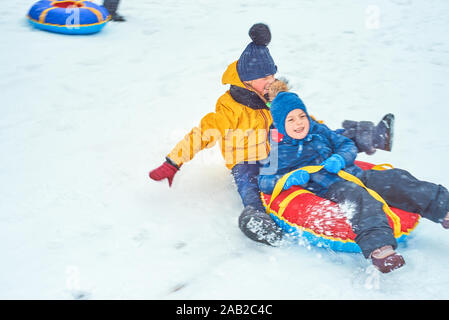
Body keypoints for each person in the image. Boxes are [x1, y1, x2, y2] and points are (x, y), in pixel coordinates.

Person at [149, 23, 395, 247]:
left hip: (280, 148)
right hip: (246, 158)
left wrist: (314, 129)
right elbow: (200, 134)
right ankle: (256, 218)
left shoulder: (274, 96)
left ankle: (373, 136)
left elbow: (301, 118)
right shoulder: (228, 109)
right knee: (249, 182)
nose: (271, 81)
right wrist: (172, 162)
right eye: (264, 77)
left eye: (272, 75)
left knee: (323, 136)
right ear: (246, 81)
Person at [258, 91, 449, 273]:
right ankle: (380, 249)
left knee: (396, 178)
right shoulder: (279, 151)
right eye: (291, 120)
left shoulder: (319, 130)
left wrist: (341, 158)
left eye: (302, 116)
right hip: (331, 186)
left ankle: (443, 209)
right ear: (281, 124)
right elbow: (265, 181)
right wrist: (288, 179)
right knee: (360, 199)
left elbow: (346, 144)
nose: (299, 123)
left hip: (356, 173)